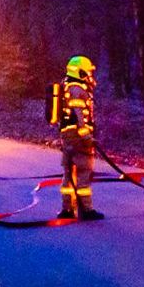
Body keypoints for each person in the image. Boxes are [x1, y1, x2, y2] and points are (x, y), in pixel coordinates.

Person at [57, 56, 104, 220]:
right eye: (88, 71)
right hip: (78, 138)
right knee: (84, 171)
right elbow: (79, 118)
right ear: (81, 71)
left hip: (68, 136)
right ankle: (86, 209)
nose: (90, 75)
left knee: (68, 173)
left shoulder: (67, 86)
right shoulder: (77, 89)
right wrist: (87, 137)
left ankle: (67, 209)